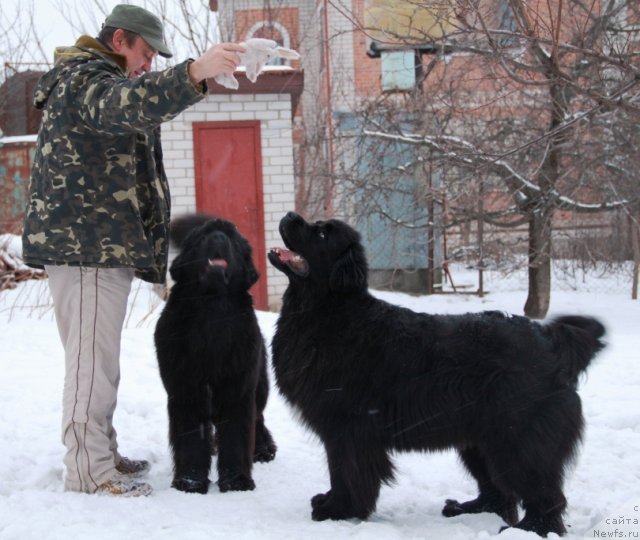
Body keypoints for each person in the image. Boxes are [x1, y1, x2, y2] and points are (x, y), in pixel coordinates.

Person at [21, 4, 245, 497]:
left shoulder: (95, 78)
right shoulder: (86, 79)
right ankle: (88, 470)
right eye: (144, 53)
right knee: (89, 363)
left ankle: (101, 453)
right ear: (119, 39)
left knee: (98, 361)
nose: (147, 64)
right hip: (88, 247)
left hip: (98, 243)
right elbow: (129, 104)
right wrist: (194, 73)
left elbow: (134, 103)